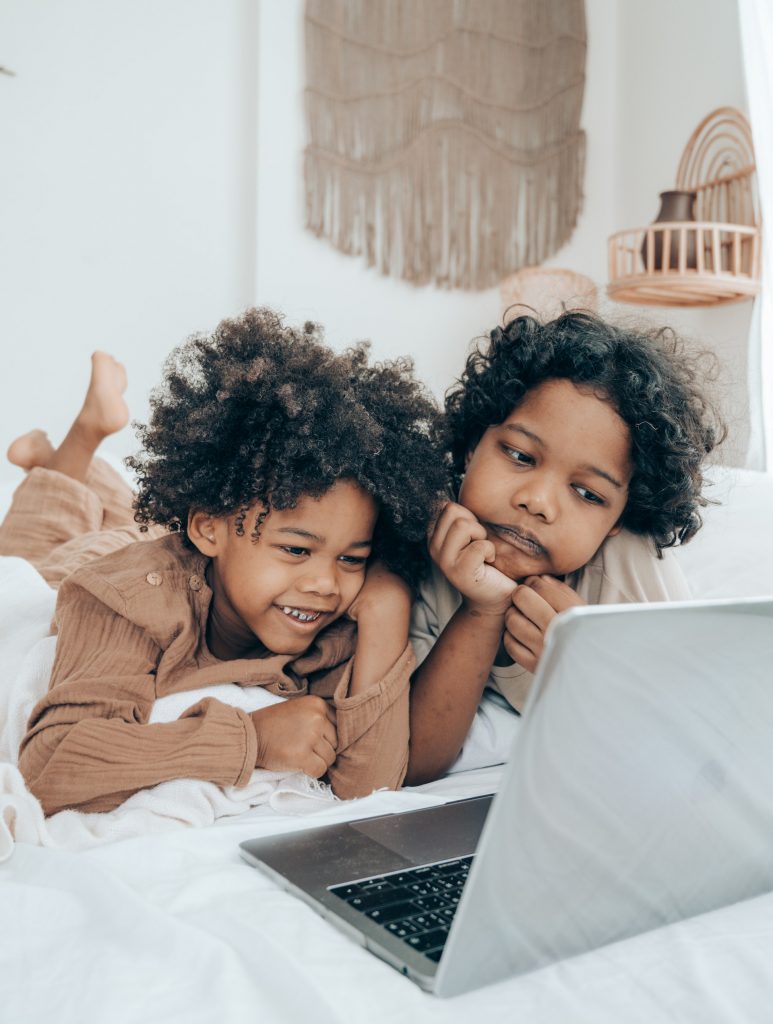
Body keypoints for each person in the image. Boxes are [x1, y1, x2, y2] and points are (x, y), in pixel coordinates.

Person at [0, 308, 449, 815]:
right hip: (114, 560)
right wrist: (250, 739)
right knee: (33, 554)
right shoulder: (128, 598)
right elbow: (50, 765)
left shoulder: (332, 618)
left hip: (187, 546)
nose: (325, 582)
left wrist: (389, 605)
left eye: (352, 557)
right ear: (207, 527)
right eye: (296, 550)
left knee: (126, 515)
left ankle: (57, 463)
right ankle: (82, 438)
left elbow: (368, 792)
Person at [407, 310, 725, 784]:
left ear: (618, 521)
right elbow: (415, 761)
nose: (537, 502)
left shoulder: (627, 566)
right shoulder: (431, 543)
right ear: (473, 445)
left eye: (588, 494)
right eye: (519, 456)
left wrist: (588, 666)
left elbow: (696, 745)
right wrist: (481, 610)